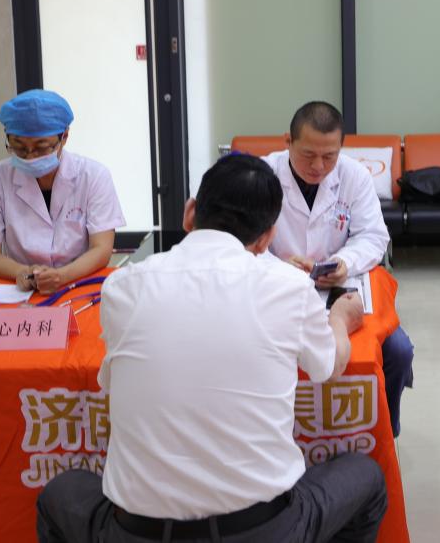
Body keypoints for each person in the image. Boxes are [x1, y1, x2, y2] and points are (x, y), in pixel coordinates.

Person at [36, 154, 387, 543]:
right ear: (267, 237)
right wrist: (339, 319)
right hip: (262, 530)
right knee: (366, 477)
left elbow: (112, 381)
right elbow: (328, 367)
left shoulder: (123, 286)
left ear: (190, 213)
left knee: (60, 493)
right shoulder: (288, 287)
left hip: (137, 531)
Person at [261, 101, 415, 437]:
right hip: (275, 288)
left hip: (340, 289)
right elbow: (241, 243)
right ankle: (288, 435)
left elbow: (373, 235)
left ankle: (383, 432)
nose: (318, 166)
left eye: (329, 156)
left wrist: (345, 262)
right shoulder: (262, 176)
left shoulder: (353, 175)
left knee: (399, 351)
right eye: (308, 154)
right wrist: (279, 267)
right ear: (287, 141)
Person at [0, 89, 125, 294]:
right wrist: (22, 272)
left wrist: (62, 276)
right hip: (20, 287)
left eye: (41, 147)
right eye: (19, 147)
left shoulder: (94, 176)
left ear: (64, 137)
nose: (30, 157)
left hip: (79, 282)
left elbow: (102, 248)